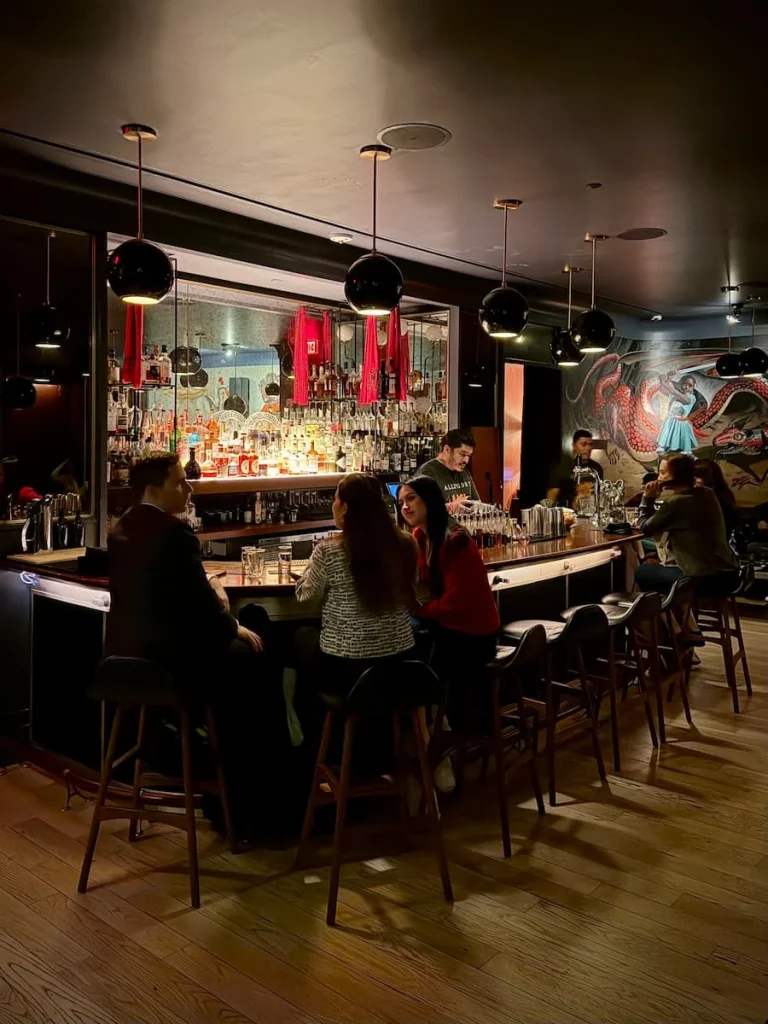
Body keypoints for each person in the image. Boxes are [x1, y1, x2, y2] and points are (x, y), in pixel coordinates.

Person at [105, 451, 292, 839]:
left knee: (250, 646)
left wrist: (211, 592)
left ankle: (235, 795)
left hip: (131, 659)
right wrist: (231, 624)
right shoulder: (174, 533)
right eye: (179, 482)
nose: (189, 488)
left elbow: (169, 591)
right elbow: (201, 610)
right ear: (155, 489)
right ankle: (257, 805)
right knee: (259, 657)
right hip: (179, 664)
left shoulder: (121, 528)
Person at [295, 473, 417, 694]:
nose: (333, 505)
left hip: (347, 668)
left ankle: (301, 726)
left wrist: (310, 564)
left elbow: (305, 596)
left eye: (335, 499)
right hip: (401, 663)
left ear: (345, 508)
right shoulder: (406, 543)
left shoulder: (329, 551)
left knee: (299, 639)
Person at [636, 453, 739, 597]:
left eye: (663, 473)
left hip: (703, 579)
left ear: (677, 475)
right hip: (729, 573)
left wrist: (647, 499)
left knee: (642, 571)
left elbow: (645, 528)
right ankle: (679, 615)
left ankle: (669, 617)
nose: (659, 478)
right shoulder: (707, 493)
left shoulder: (676, 502)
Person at [417, 428, 480, 513]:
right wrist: (450, 508)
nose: (466, 460)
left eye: (469, 456)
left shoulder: (464, 472)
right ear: (447, 450)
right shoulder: (427, 473)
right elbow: (421, 511)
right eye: (462, 454)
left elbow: (477, 503)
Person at [547, 429, 604, 508]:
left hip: (590, 511)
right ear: (574, 446)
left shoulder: (597, 468)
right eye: (583, 444)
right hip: (567, 513)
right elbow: (551, 499)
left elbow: (600, 493)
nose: (588, 448)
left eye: (590, 445)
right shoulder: (562, 468)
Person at [694, 458, 739, 538]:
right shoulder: (723, 494)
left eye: (699, 476)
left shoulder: (718, 501)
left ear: (710, 477)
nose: (695, 480)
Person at [657, 373, 700, 454]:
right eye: (684, 384)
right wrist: (668, 379)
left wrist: (663, 382)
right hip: (670, 421)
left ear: (694, 386)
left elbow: (674, 392)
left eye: (690, 385)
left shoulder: (691, 398)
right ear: (681, 384)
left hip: (680, 423)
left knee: (683, 448)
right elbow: (667, 391)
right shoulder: (678, 395)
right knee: (666, 441)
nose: (686, 387)